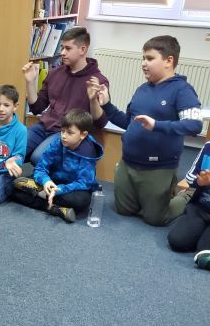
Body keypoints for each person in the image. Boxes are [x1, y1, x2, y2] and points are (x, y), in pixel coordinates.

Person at [88, 35, 202, 226]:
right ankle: (147, 198)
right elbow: (127, 122)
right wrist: (106, 105)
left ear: (169, 61)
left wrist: (157, 125)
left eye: (149, 58)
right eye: (143, 58)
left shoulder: (182, 90)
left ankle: (187, 195)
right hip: (128, 163)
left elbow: (195, 125)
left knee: (156, 219)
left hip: (159, 167)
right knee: (123, 210)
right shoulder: (142, 89)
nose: (143, 63)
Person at [23, 27, 109, 164]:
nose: (62, 53)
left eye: (68, 48)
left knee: (38, 157)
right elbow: (37, 108)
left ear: (83, 50)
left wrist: (93, 100)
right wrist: (30, 82)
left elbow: (100, 123)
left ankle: (43, 181)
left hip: (67, 133)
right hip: (45, 127)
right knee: (13, 151)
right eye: (62, 48)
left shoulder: (98, 81)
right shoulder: (55, 73)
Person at [13, 108, 103, 223]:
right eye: (62, 131)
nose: (64, 136)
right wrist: (45, 181)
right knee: (13, 190)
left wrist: (59, 190)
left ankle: (42, 196)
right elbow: (41, 167)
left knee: (82, 202)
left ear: (83, 135)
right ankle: (56, 208)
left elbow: (84, 183)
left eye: (70, 133)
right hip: (52, 181)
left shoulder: (88, 152)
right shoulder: (57, 142)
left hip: (71, 188)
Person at [167, 140, 210, 269]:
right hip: (200, 206)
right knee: (177, 241)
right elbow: (190, 176)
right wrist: (200, 181)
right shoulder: (208, 146)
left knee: (204, 251)